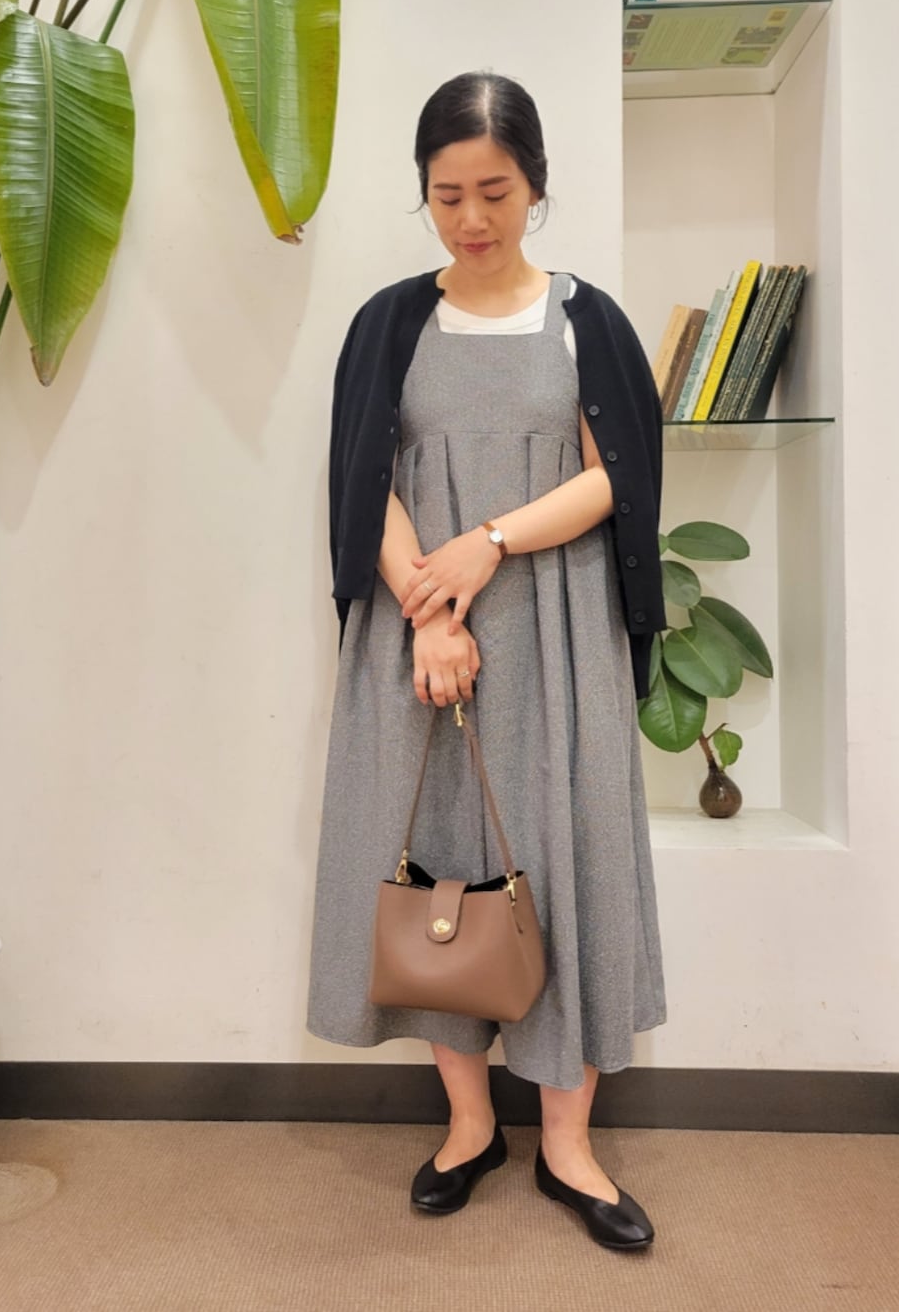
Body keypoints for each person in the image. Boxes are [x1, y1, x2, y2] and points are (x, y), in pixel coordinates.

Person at [306, 71, 667, 1252]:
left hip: (560, 632)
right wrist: (430, 611)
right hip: (423, 644)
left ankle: (567, 1141)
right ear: (423, 191)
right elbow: (362, 478)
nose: (470, 216)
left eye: (495, 191)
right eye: (447, 193)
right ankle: (468, 1126)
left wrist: (490, 541)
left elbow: (618, 478)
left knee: (572, 864)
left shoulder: (585, 321)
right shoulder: (387, 323)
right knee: (442, 872)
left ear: (536, 185)